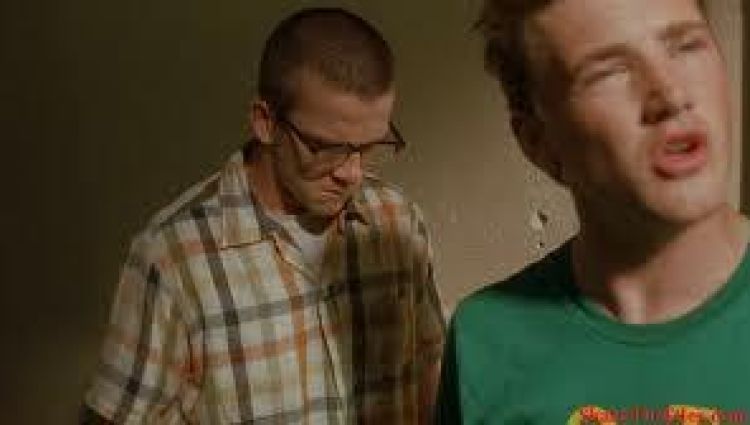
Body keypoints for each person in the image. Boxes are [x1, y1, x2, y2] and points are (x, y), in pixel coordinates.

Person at [81, 7, 444, 424]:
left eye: (369, 147)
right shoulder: (172, 259)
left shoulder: (397, 221)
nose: (352, 173)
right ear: (265, 122)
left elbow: (428, 374)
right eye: (327, 148)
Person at [435, 0, 750, 423]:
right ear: (538, 142)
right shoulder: (486, 339)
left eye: (685, 45)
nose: (672, 96)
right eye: (608, 72)